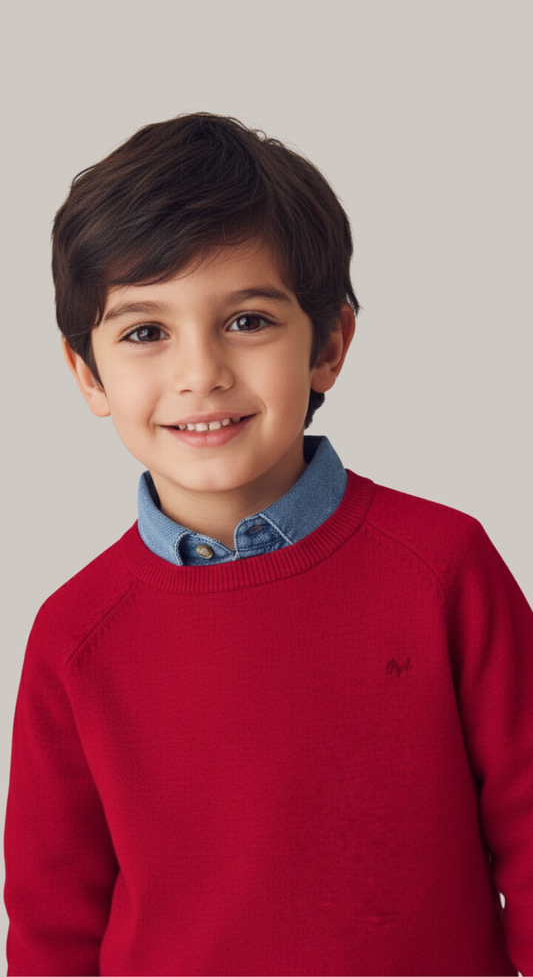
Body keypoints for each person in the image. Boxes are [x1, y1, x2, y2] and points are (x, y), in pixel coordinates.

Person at [3, 113, 532, 977]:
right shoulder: (75, 633)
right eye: (145, 332)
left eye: (247, 321)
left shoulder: (442, 567)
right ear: (87, 374)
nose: (200, 373)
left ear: (328, 346)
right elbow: (51, 922)